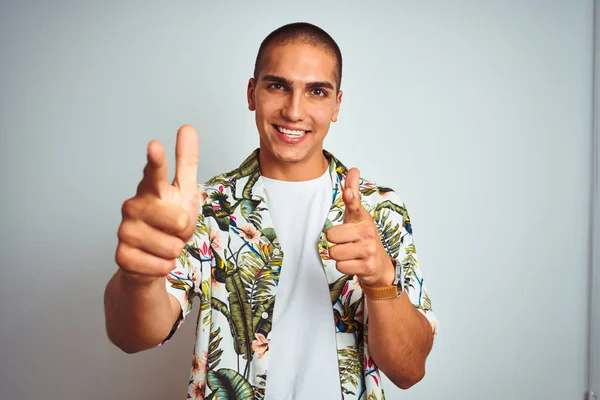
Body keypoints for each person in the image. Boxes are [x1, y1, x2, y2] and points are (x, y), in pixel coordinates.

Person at [104, 22, 438, 400]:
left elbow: (409, 371)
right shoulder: (205, 207)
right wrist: (138, 278)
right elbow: (132, 336)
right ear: (252, 92)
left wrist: (381, 281)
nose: (294, 111)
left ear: (337, 105)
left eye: (316, 91)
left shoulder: (380, 210)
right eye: (278, 86)